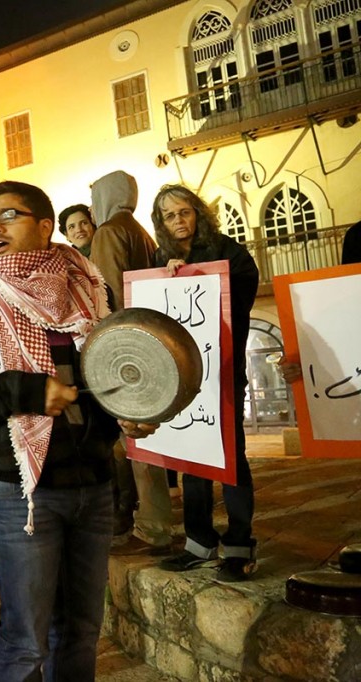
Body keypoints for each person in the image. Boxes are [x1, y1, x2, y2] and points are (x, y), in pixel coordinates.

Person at [0, 180, 158, 680]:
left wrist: (130, 414)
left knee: (80, 630)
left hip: (93, 487)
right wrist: (29, 393)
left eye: (9, 215)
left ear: (46, 226)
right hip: (20, 497)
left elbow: (112, 373)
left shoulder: (92, 290)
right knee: (25, 637)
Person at [151, 184, 260, 583]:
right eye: (169, 215)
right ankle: (198, 543)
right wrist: (165, 277)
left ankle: (239, 545)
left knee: (231, 457)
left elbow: (241, 292)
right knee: (191, 454)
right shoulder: (161, 258)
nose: (178, 221)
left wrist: (196, 276)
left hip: (224, 370)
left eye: (184, 212)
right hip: (184, 375)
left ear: (197, 213)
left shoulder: (229, 250)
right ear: (161, 223)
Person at [89, 170, 174, 555]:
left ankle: (150, 523)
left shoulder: (108, 232)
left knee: (127, 440)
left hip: (123, 345)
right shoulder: (140, 231)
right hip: (147, 337)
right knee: (142, 436)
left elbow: (106, 294)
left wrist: (109, 347)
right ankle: (156, 517)